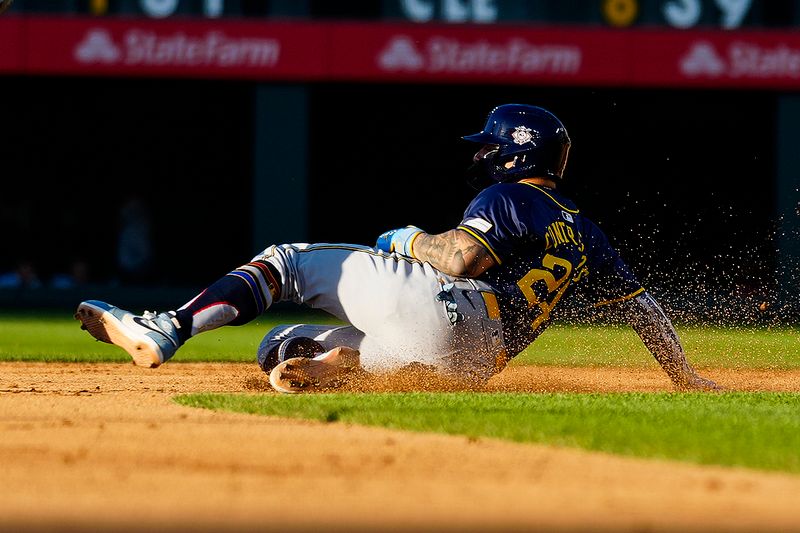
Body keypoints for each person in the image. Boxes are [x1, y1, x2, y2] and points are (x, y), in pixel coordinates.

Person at [75, 104, 720, 393]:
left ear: (516, 152)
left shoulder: (509, 199)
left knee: (286, 262)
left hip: (452, 309)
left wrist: (409, 238)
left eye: (490, 144)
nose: (484, 154)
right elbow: (646, 313)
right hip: (472, 363)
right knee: (286, 347)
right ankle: (316, 367)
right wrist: (685, 376)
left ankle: (168, 327)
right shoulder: (586, 229)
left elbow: (461, 259)